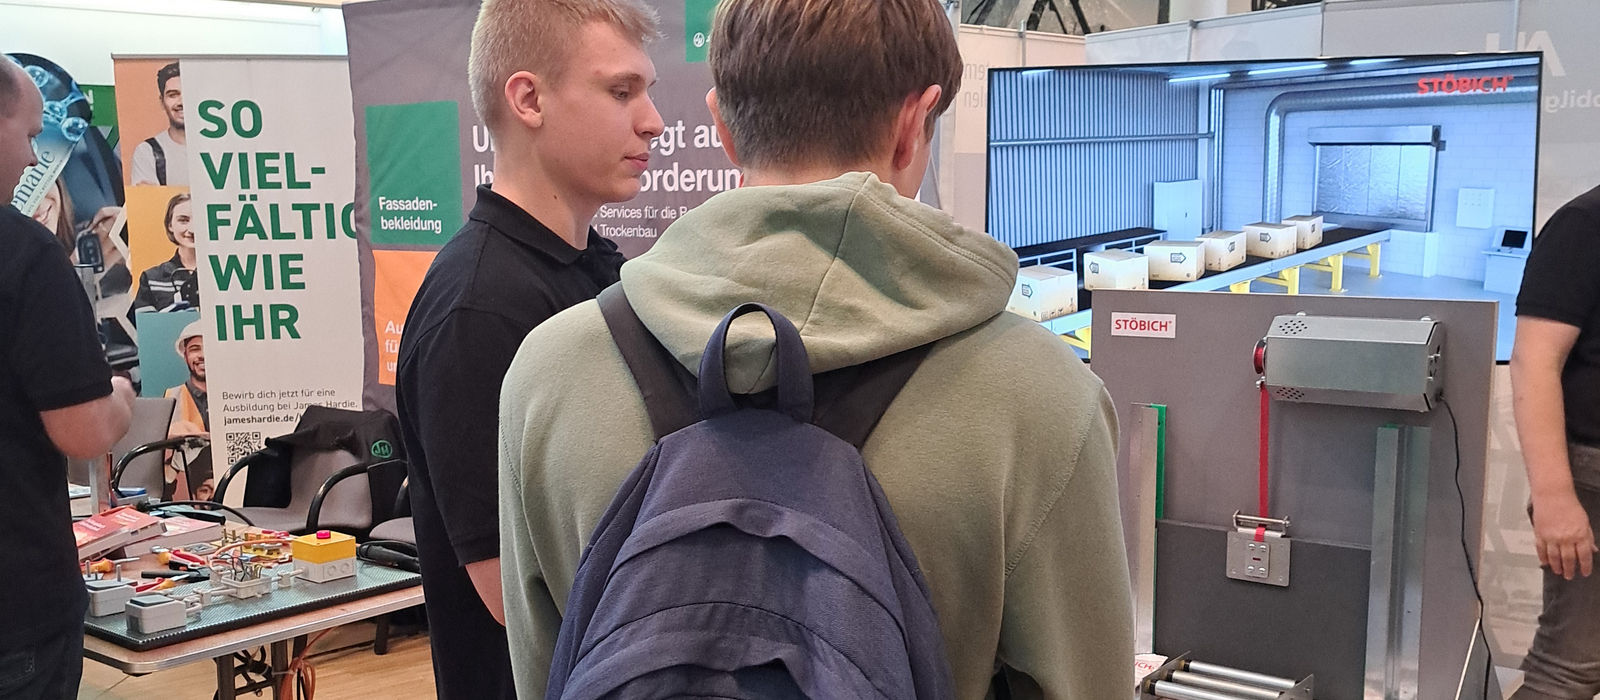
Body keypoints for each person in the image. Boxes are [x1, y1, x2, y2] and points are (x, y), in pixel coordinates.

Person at [496, 0, 1133, 697]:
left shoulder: (549, 374)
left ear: (722, 126)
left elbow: (548, 673)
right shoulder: (1039, 398)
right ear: (913, 123)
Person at [392, 1, 660, 699]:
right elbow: (513, 596)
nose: (653, 121)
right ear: (529, 100)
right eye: (621, 91)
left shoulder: (595, 269)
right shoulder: (477, 310)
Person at [0, 56, 135, 700]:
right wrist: (121, 400)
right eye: (30, 135)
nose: (34, 159)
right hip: (15, 611)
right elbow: (83, 432)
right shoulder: (23, 254)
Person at [1511, 184, 1600, 700]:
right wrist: (1554, 497)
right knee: (1569, 670)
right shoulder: (1586, 223)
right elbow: (1534, 362)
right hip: (1592, 478)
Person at [130, 192, 198, 314]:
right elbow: (146, 324)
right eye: (183, 220)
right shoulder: (151, 278)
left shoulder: (223, 273)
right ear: (170, 225)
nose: (192, 229)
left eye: (199, 220)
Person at [164, 322, 210, 500]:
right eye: (195, 349)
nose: (202, 355)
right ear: (185, 356)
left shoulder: (234, 396)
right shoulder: (171, 397)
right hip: (185, 498)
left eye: (209, 348)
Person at [129, 62, 186, 186]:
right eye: (173, 95)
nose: (181, 102)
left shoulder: (219, 148)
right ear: (162, 102)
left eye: (188, 94)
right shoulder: (148, 151)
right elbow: (148, 198)